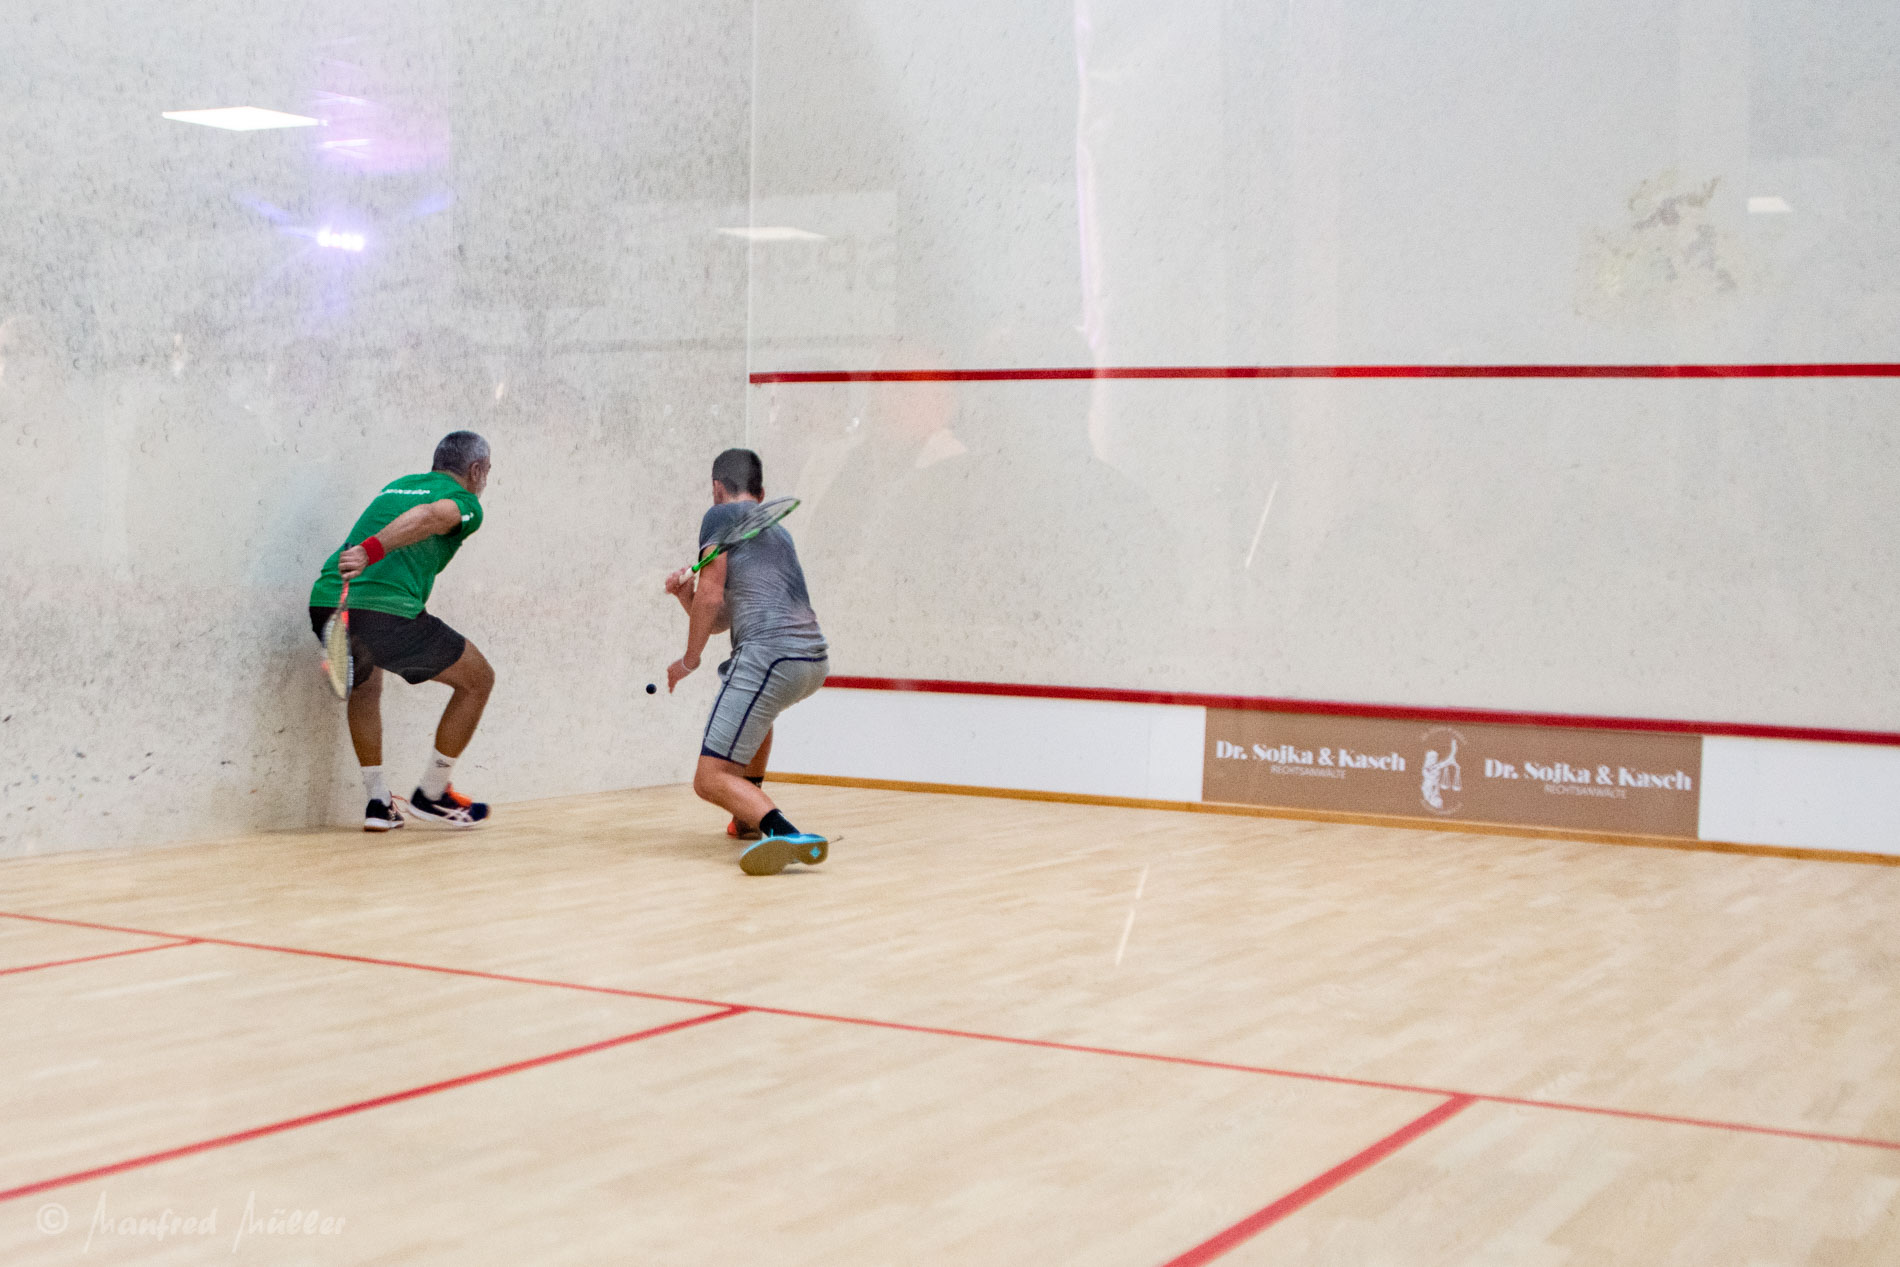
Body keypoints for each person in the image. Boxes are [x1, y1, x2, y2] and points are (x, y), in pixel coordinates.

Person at [309, 431, 497, 831]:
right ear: (476, 469)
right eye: (488, 471)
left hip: (327, 600)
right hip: (382, 612)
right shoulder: (465, 502)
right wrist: (371, 551)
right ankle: (433, 794)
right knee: (478, 680)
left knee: (365, 687)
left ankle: (378, 802)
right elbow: (431, 517)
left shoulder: (396, 486)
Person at [666, 448, 831, 876]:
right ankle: (747, 818)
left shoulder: (719, 515)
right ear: (761, 494)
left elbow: (711, 596)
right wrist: (686, 595)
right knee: (759, 714)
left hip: (769, 654)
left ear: (717, 488)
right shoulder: (778, 532)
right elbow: (721, 617)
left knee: (709, 778)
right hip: (811, 660)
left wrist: (689, 660)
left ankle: (784, 833)